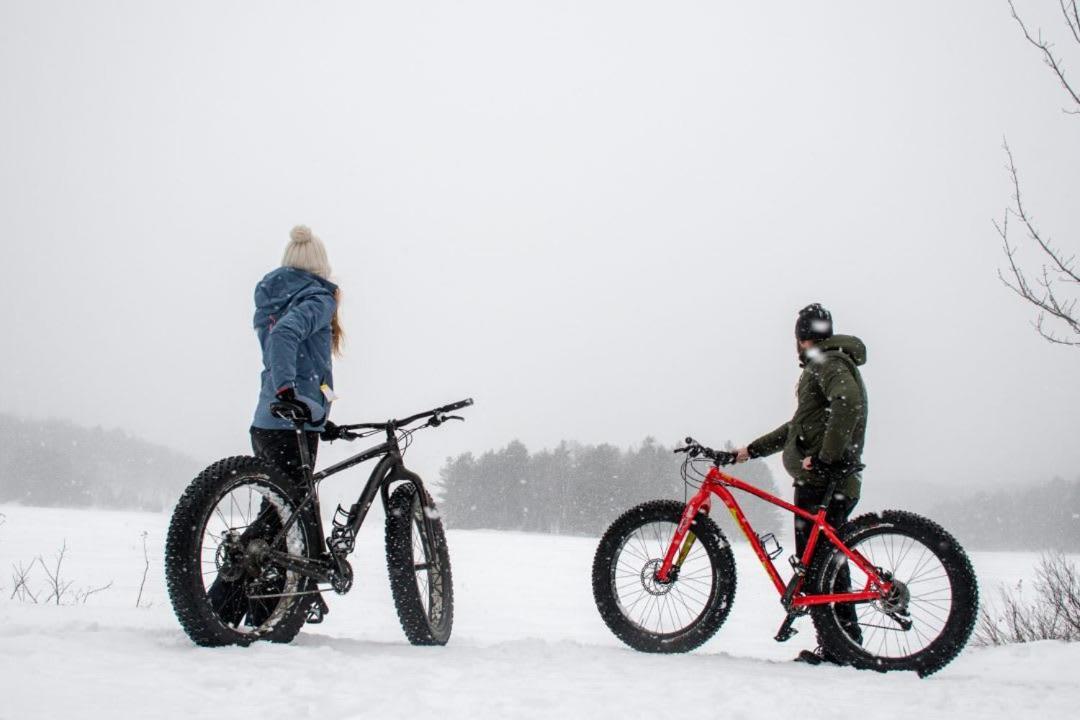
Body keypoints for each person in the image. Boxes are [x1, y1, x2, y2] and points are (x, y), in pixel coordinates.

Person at [734, 303, 868, 665]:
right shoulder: (824, 364)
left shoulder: (826, 363)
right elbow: (796, 429)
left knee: (825, 571)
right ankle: (841, 645)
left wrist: (827, 458)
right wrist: (747, 452)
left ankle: (842, 648)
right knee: (824, 569)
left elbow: (849, 402)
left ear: (801, 339)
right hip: (823, 482)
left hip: (824, 483)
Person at [241, 224, 343, 624]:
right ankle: (243, 603)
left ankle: (282, 602)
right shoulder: (318, 296)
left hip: (268, 420)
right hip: (291, 422)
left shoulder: (273, 299)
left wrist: (321, 416)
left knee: (284, 513)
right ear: (320, 264)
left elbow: (296, 354)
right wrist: (290, 392)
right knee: (288, 516)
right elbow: (287, 338)